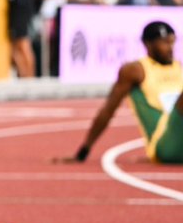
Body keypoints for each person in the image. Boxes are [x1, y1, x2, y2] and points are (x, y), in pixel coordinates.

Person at [73, 21, 183, 164]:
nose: (170, 48)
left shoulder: (179, 67)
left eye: (172, 42)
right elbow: (108, 110)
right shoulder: (135, 70)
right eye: (164, 43)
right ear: (148, 44)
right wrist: (84, 150)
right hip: (165, 143)